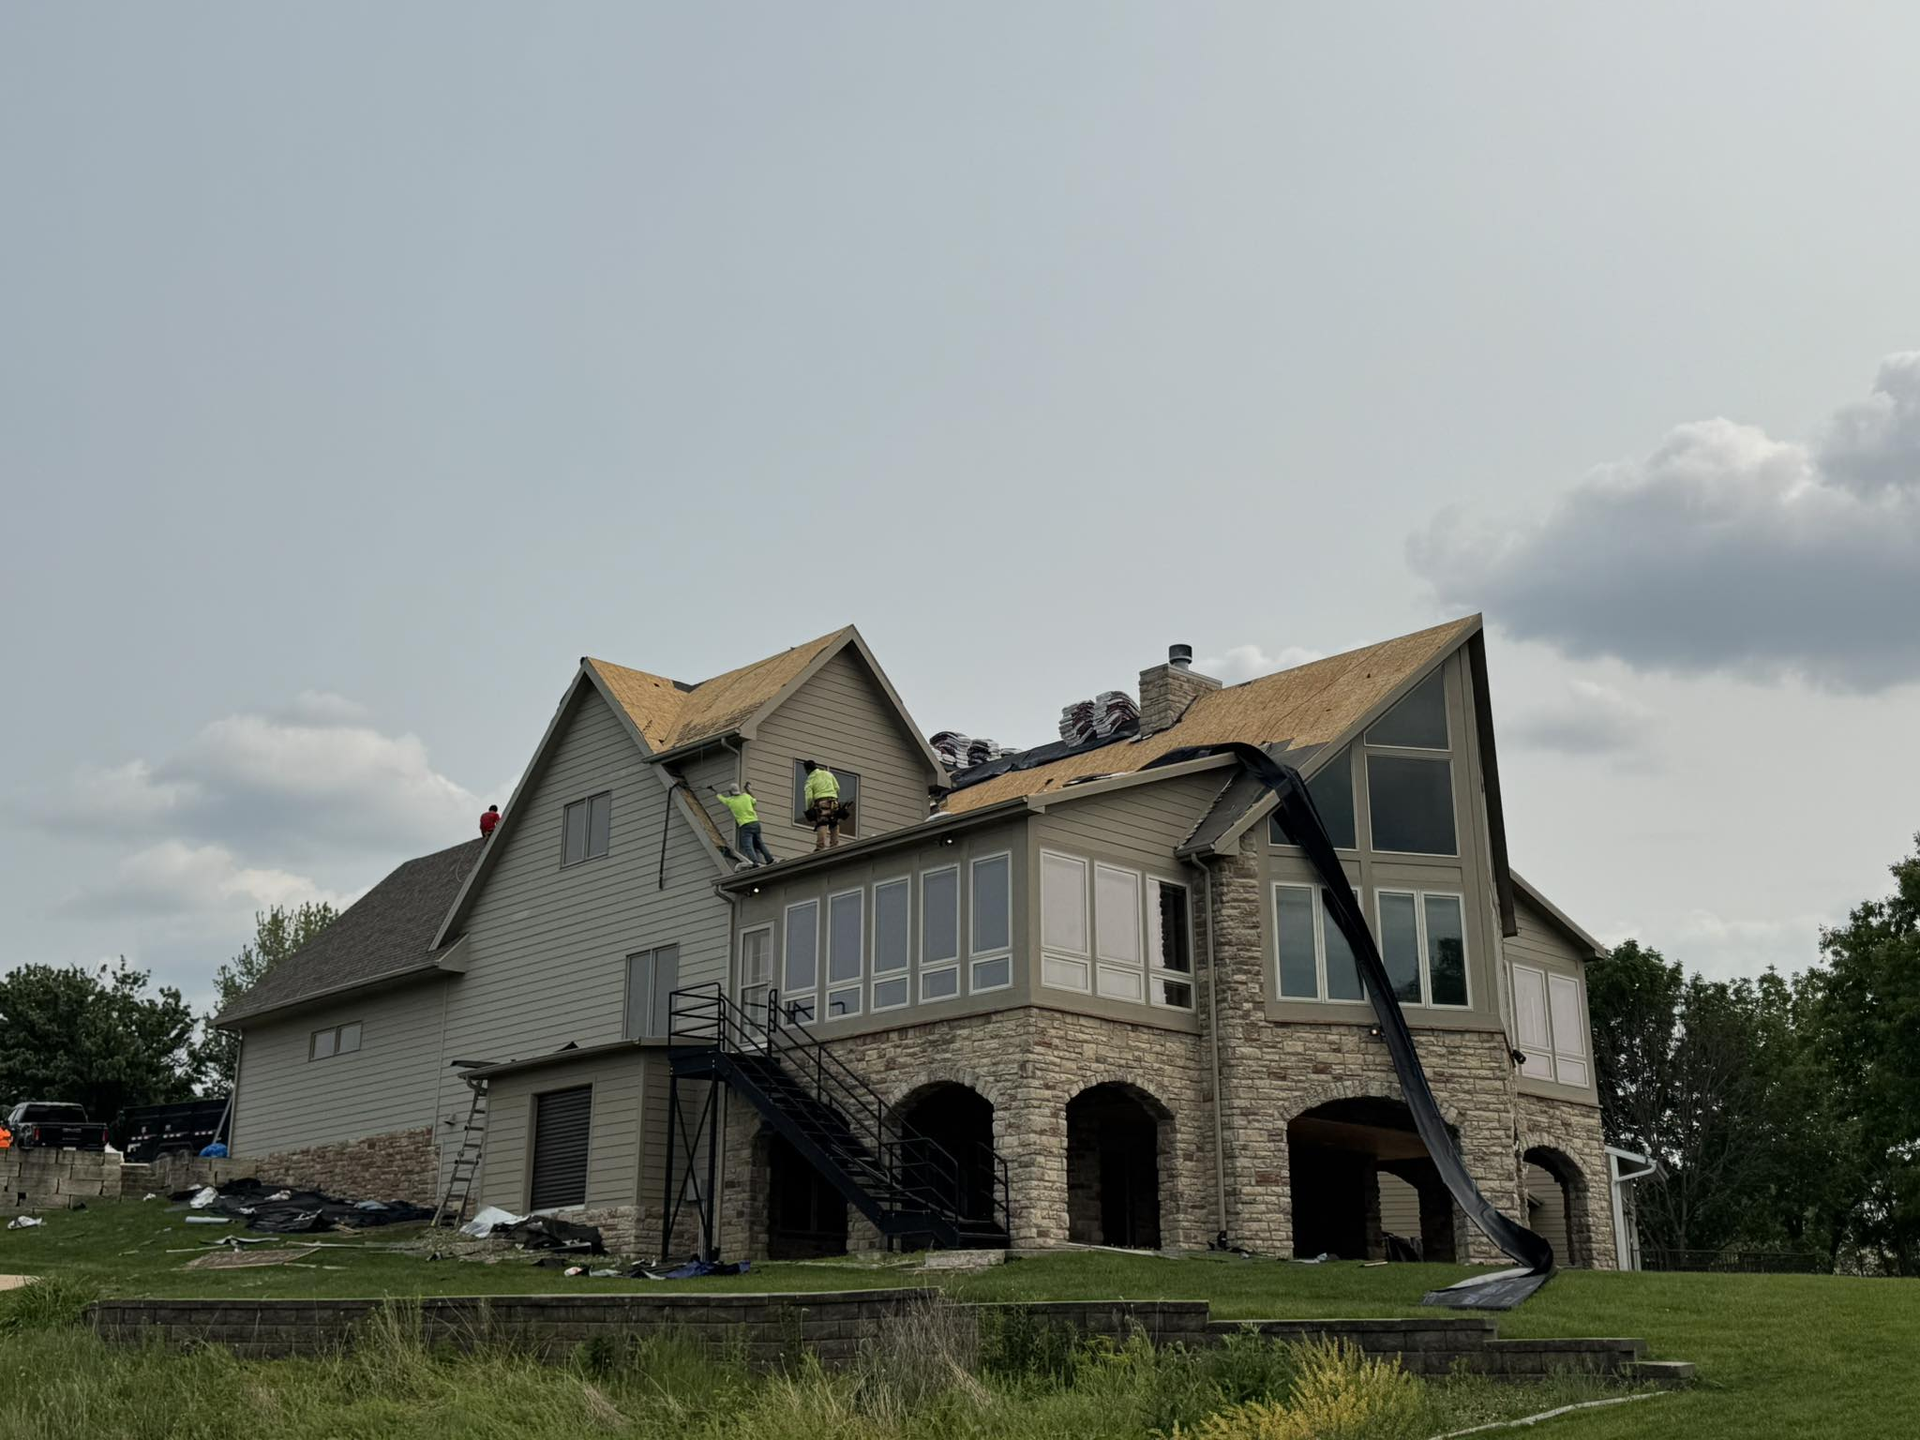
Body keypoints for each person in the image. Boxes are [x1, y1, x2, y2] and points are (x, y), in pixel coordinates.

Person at [711, 783, 776, 868]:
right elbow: (754, 801)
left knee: (748, 845)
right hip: (755, 823)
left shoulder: (730, 801)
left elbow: (721, 798)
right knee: (760, 843)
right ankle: (770, 859)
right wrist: (749, 791)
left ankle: (755, 862)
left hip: (745, 825)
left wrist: (715, 791)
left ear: (730, 792)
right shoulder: (746, 796)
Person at [802, 760, 842, 850]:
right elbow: (837, 788)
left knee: (822, 823)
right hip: (833, 801)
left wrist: (809, 809)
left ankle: (820, 847)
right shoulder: (828, 774)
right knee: (834, 822)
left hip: (821, 802)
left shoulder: (810, 779)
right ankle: (834, 845)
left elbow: (808, 797)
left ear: (807, 770)